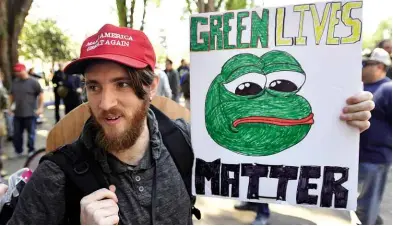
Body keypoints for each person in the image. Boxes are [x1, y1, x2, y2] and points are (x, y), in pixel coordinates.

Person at [5, 24, 374, 225]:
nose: (105, 104)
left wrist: (340, 121)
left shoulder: (187, 142)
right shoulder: (56, 176)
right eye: (94, 86)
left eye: (122, 84)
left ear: (149, 86)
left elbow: (274, 157)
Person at [356, 48, 392, 225]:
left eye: (366, 64)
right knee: (354, 204)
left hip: (374, 158)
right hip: (357, 156)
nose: (362, 67)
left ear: (379, 66)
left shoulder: (388, 89)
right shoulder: (361, 85)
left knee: (367, 206)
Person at [8, 63, 44, 156]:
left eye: (18, 71)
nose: (17, 73)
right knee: (17, 134)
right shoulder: (15, 82)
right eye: (16, 71)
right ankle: (18, 150)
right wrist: (10, 108)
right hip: (18, 113)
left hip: (31, 113)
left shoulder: (33, 82)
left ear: (24, 70)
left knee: (31, 134)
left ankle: (31, 150)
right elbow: (11, 95)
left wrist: (40, 108)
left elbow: (41, 94)